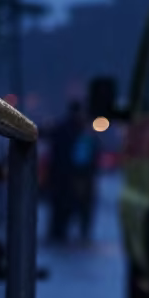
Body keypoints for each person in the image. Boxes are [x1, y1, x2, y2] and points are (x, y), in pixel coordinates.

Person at [47, 99, 99, 242]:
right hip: (78, 176)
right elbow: (91, 156)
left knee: (62, 209)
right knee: (81, 207)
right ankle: (80, 234)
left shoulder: (62, 129)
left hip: (64, 175)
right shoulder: (85, 132)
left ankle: (58, 234)